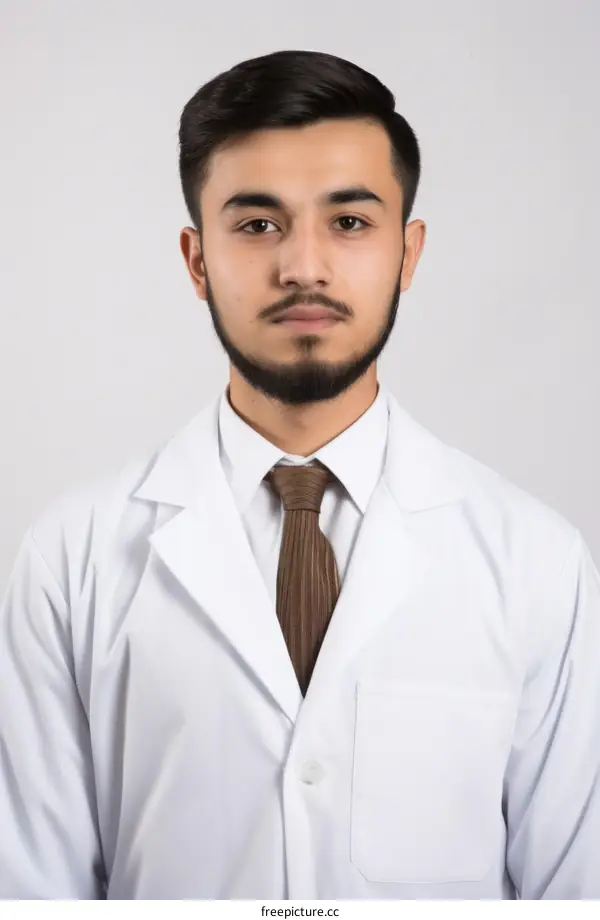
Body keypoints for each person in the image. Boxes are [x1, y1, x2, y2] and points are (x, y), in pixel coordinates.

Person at [1, 48, 599, 902]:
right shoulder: (73, 558)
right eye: (257, 224)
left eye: (350, 222)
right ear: (197, 259)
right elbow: (30, 893)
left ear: (409, 252)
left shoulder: (537, 562)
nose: (304, 267)